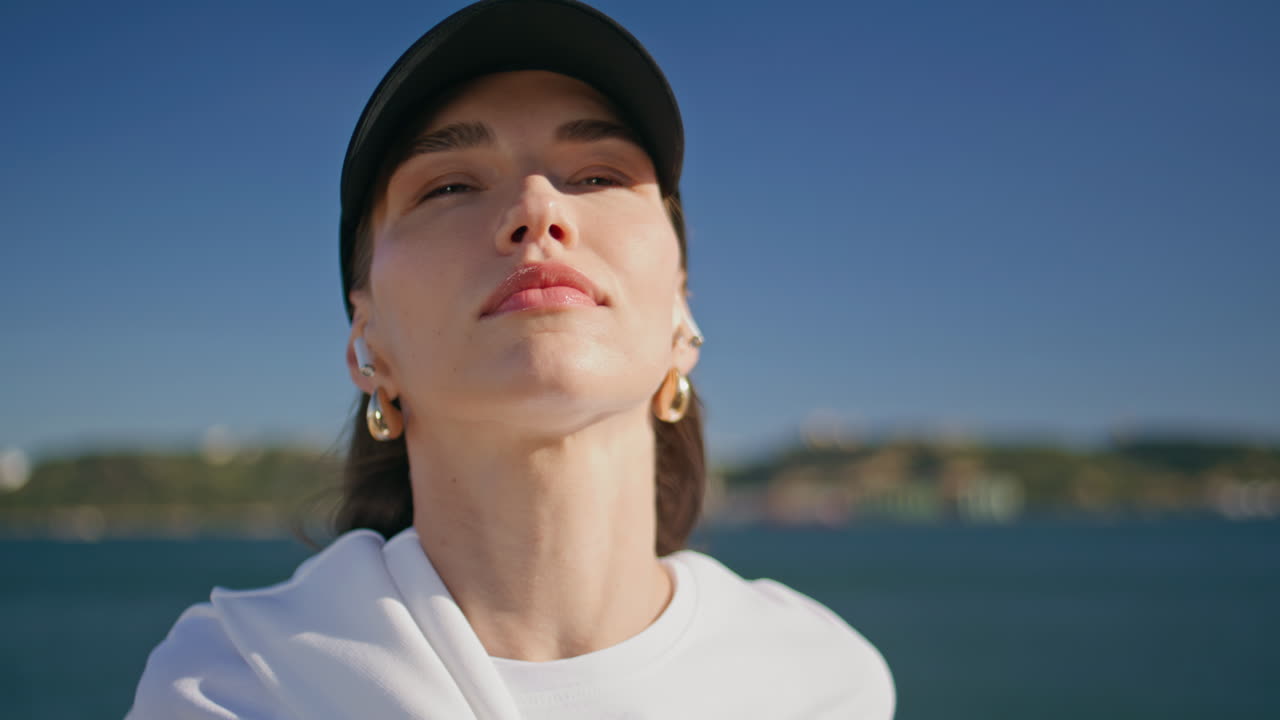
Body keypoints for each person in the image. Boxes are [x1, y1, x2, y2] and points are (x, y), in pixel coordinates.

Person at [127, 0, 895, 717]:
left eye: (598, 176)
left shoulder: (826, 680)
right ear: (369, 343)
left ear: (681, 313)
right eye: (450, 185)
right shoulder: (235, 685)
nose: (537, 211)